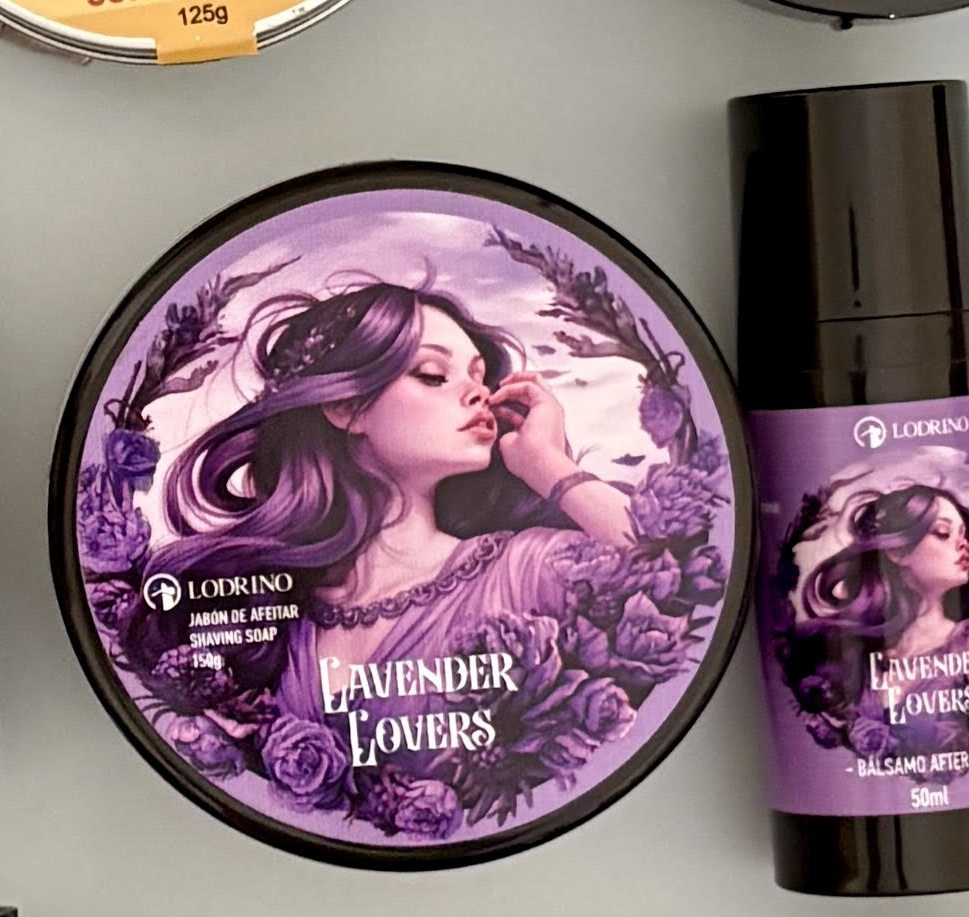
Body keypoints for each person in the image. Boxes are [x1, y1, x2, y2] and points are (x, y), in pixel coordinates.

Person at [156, 284, 635, 736]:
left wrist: (547, 465)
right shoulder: (272, 613)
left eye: (479, 377)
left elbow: (669, 569)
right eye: (433, 375)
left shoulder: (526, 569)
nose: (480, 395)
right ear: (346, 407)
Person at [776, 479, 969, 752]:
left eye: (964, 534)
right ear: (897, 550)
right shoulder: (851, 651)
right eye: (943, 532)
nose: (963, 545)